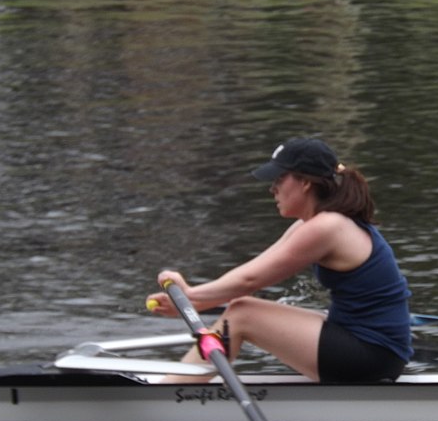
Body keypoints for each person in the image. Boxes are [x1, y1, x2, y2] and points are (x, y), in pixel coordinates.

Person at [146, 138, 412, 383]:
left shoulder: (327, 227)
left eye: (279, 178)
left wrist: (191, 294)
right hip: (363, 341)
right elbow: (249, 277)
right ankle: (178, 387)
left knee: (243, 313)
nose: (272, 188)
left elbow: (250, 280)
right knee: (242, 308)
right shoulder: (313, 224)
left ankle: (169, 395)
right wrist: (192, 304)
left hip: (374, 356)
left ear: (305, 182)